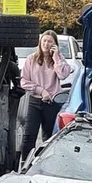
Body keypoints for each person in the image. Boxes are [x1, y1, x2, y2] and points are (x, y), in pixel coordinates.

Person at [19, 30, 71, 161]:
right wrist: (41, 90)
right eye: (44, 41)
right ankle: (25, 164)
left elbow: (63, 75)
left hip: (52, 103)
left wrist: (57, 56)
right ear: (40, 42)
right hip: (35, 101)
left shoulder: (58, 59)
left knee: (49, 137)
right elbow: (24, 81)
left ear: (55, 45)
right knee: (29, 136)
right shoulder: (32, 59)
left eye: (50, 42)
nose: (46, 44)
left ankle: (45, 164)